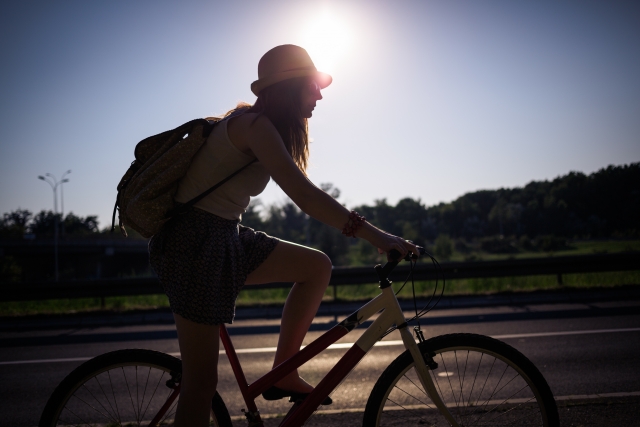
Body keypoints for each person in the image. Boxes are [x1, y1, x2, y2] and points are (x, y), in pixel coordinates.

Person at [148, 44, 419, 427]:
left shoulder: (258, 126)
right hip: (195, 243)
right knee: (201, 382)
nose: (320, 95)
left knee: (316, 266)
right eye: (313, 85)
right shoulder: (253, 127)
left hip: (224, 235)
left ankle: (285, 371)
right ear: (290, 87)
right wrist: (377, 237)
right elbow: (304, 195)